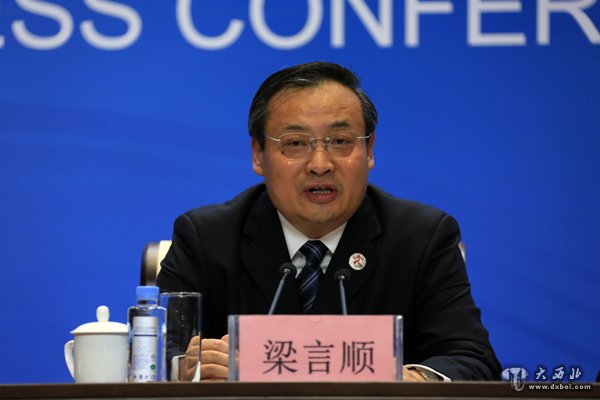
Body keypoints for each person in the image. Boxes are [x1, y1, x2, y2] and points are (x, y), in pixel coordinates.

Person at [157, 61, 501, 382]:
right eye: (295, 143)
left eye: (340, 142)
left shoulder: (421, 238)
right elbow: (158, 356)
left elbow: (472, 360)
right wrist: (186, 369)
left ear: (369, 150)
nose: (320, 164)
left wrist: (407, 380)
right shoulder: (206, 238)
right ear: (258, 155)